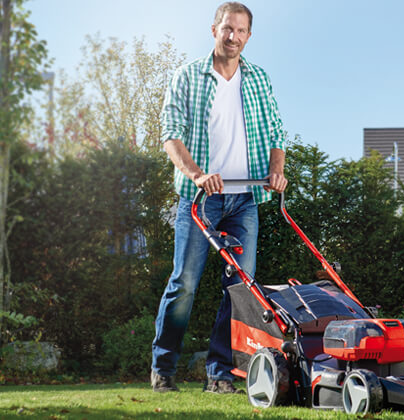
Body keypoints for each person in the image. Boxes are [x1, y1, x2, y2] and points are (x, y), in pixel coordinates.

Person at [151, 1, 287, 394]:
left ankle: (220, 374)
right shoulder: (189, 76)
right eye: (227, 28)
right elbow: (170, 134)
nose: (234, 37)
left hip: (245, 199)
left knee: (240, 290)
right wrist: (196, 174)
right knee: (185, 283)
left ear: (248, 36)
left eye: (241, 31)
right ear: (214, 30)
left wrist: (276, 170)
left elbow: (277, 132)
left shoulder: (259, 79)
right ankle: (163, 368)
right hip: (200, 200)